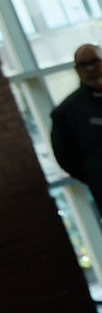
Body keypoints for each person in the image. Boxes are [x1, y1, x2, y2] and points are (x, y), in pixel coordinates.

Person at [49, 42, 102, 203]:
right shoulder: (66, 112)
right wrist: (94, 173)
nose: (91, 69)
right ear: (77, 70)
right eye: (83, 65)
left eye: (95, 61)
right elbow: (65, 157)